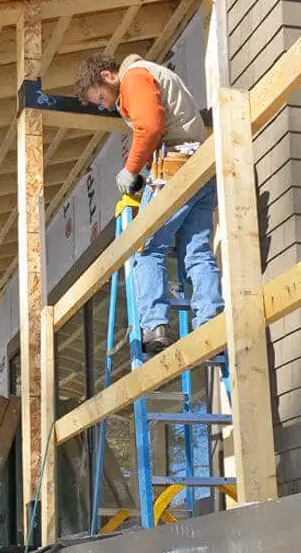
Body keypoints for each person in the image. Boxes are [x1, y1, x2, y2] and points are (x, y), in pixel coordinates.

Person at [75, 53, 223, 354]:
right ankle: (211, 320)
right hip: (200, 163)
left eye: (101, 98)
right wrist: (142, 172)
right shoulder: (148, 75)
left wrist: (130, 170)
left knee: (147, 247)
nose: (103, 106)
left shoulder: (134, 77)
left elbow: (151, 127)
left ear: (108, 76)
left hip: (177, 165)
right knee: (196, 250)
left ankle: (155, 326)